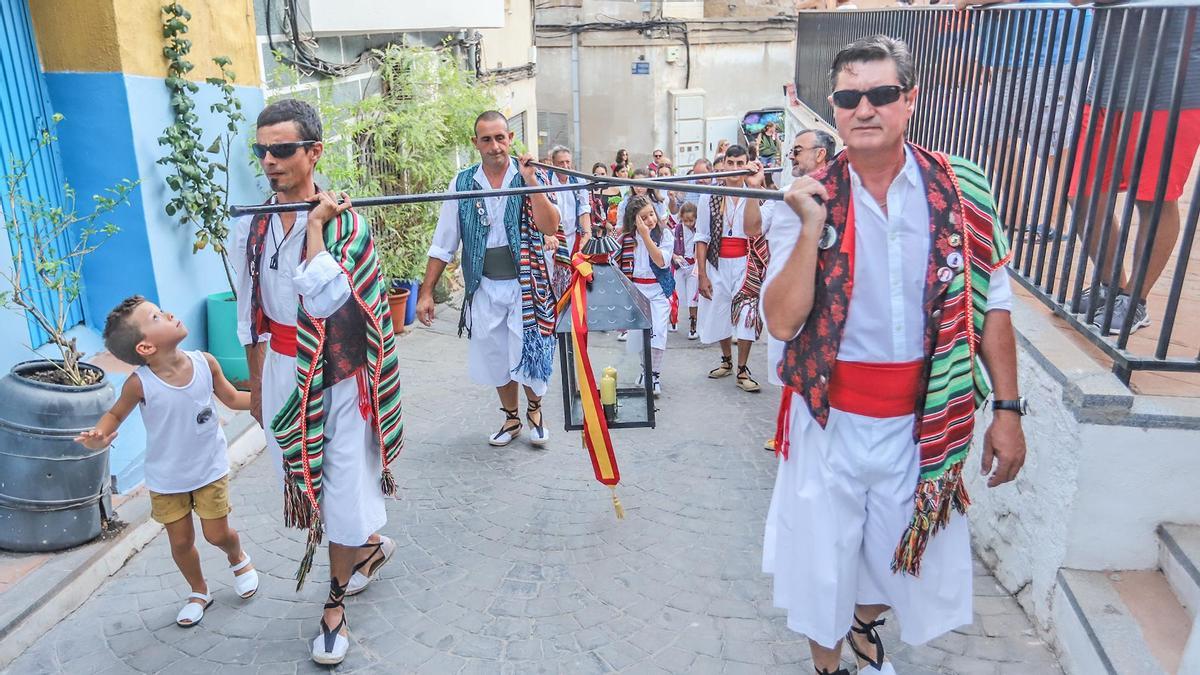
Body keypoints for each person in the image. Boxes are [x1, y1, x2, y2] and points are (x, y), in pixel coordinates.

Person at [761, 36, 1026, 675]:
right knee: (820, 566)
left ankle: (863, 623)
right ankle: (828, 665)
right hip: (830, 423)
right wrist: (809, 230)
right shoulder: (807, 196)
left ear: (909, 99)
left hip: (920, 420)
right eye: (851, 98)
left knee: (891, 556)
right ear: (835, 108)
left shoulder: (961, 190)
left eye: (882, 94)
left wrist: (1009, 410)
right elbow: (780, 319)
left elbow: (992, 306)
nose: (866, 108)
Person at [233, 98, 404, 665]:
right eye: (262, 150)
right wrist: (257, 386)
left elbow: (328, 298)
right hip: (284, 370)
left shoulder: (347, 221)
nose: (270, 161)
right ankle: (370, 547)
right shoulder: (251, 223)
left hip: (340, 374)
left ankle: (333, 608)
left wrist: (314, 227)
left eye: (282, 150)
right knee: (309, 478)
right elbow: (249, 312)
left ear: (314, 152)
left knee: (342, 481)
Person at [78, 297, 259, 629]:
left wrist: (271, 403)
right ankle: (198, 591)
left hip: (209, 469)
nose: (170, 314)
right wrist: (99, 434)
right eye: (157, 316)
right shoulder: (140, 384)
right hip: (166, 479)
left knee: (217, 534)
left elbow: (233, 398)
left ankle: (238, 559)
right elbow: (116, 413)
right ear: (145, 347)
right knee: (180, 542)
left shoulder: (205, 362)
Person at [416, 111, 560, 449]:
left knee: (527, 352)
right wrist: (425, 293)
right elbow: (444, 241)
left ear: (510, 138)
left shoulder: (528, 175)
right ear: (475, 143)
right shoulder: (463, 183)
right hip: (484, 286)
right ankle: (511, 418)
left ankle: (535, 413)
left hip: (525, 285)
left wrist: (532, 182)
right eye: (487, 139)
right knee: (497, 355)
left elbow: (550, 226)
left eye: (500, 138)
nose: (495, 146)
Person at [1064, 0, 1200, 334]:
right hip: (1109, 86)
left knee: (1153, 198)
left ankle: (1134, 300)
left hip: (1171, 87)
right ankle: (1113, 288)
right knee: (1082, 193)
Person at [762, 128, 837, 452]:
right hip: (781, 294)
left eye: (798, 150)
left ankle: (800, 437)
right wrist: (750, 187)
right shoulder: (785, 191)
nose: (791, 155)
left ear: (820, 154)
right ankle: (788, 434)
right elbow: (753, 227)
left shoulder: (837, 193)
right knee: (785, 368)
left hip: (815, 299)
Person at [695, 144, 767, 393]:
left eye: (740, 163)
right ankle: (726, 359)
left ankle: (743, 369)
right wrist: (702, 274)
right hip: (718, 263)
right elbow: (702, 237)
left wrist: (755, 189)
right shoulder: (709, 196)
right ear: (723, 164)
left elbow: (757, 230)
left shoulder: (757, 192)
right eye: (731, 163)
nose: (735, 168)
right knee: (719, 312)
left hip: (747, 264)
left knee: (747, 315)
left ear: (748, 164)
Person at [617, 194, 675, 396]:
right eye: (644, 217)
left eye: (651, 214)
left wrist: (646, 237)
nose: (650, 220)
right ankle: (646, 370)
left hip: (658, 290)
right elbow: (616, 262)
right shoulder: (626, 240)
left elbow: (661, 261)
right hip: (637, 291)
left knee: (657, 331)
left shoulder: (664, 235)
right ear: (635, 220)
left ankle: (655, 375)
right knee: (641, 333)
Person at [546, 146, 593, 296]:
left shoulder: (577, 179)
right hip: (553, 238)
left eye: (568, 162)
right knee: (553, 277)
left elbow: (584, 209)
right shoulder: (546, 180)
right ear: (553, 163)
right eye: (561, 163)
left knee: (575, 276)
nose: (565, 166)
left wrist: (586, 235)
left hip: (573, 236)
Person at [672, 201, 702, 339]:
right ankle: (673, 320)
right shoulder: (677, 229)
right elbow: (668, 247)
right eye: (685, 220)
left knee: (692, 298)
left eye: (691, 220)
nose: (689, 223)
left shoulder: (700, 229)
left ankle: (693, 325)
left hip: (693, 268)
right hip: (680, 266)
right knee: (677, 295)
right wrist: (674, 256)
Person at [590, 162, 622, 239]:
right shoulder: (591, 191)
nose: (600, 176)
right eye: (597, 174)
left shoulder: (616, 189)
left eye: (602, 174)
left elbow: (620, 208)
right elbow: (592, 212)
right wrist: (605, 224)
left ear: (606, 174)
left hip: (614, 229)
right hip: (598, 230)